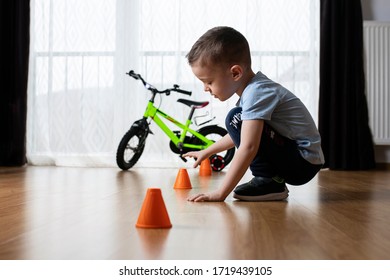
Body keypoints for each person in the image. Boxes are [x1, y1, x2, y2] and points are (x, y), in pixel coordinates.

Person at [183, 26, 324, 202]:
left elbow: (248, 146)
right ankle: (271, 180)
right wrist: (207, 151)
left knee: (234, 118)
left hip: (303, 163)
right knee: (236, 119)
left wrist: (220, 193)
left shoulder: (257, 93)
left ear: (235, 73)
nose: (206, 89)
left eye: (209, 81)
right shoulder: (253, 91)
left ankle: (268, 181)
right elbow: (243, 134)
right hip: (299, 159)